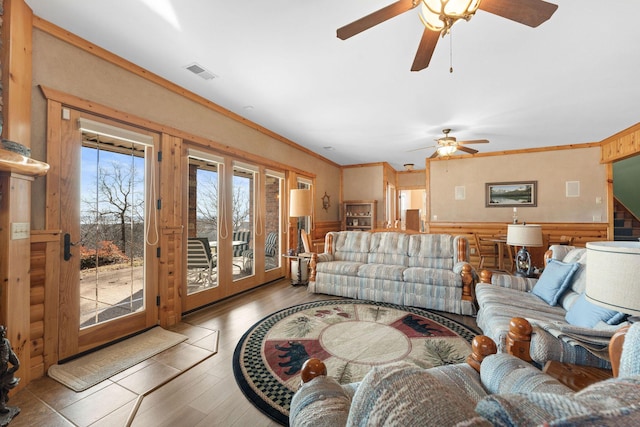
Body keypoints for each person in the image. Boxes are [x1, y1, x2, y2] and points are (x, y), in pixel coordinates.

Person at [0, 326, 19, 414]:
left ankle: (2, 402)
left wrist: (16, 364)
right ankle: (1, 404)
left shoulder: (6, 342)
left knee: (4, 387)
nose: (2, 334)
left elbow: (11, 355)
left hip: (4, 373)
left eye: (3, 332)